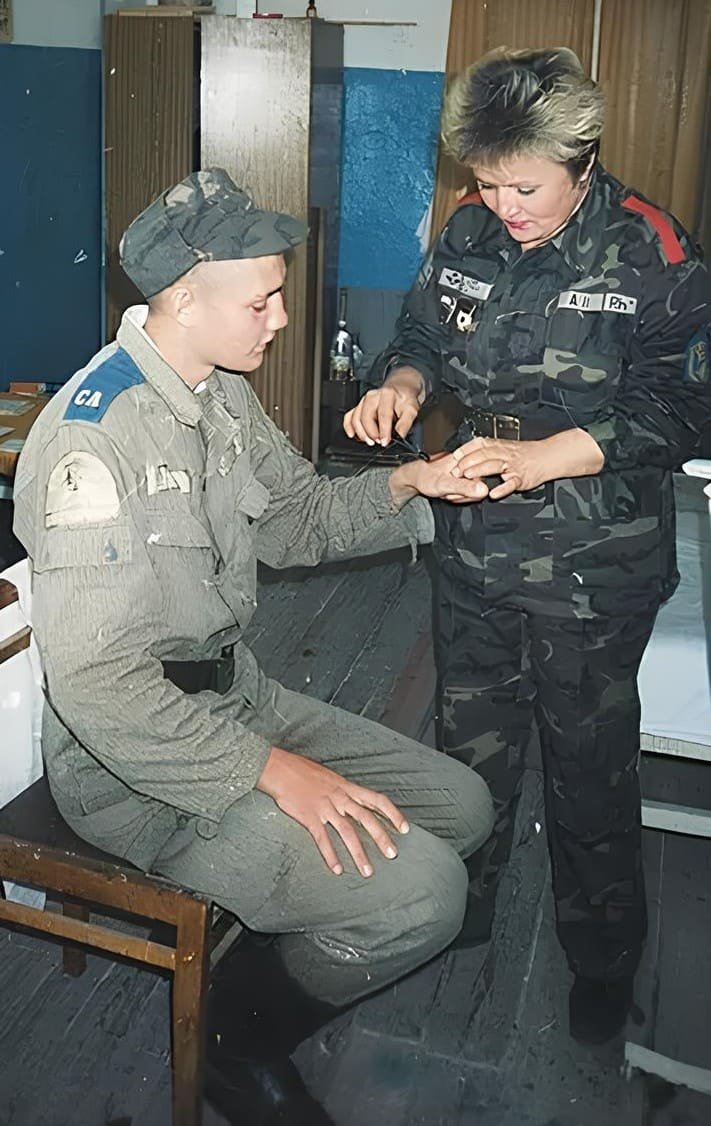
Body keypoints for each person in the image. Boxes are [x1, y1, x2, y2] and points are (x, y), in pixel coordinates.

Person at [12, 168, 494, 1126]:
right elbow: (100, 689)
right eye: (262, 298)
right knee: (426, 895)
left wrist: (414, 485)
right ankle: (236, 1040)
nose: (280, 317)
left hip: (241, 697)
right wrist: (269, 770)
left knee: (466, 807)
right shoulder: (89, 442)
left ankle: (309, 925)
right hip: (137, 767)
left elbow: (295, 519)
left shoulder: (219, 392)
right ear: (186, 300)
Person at [344, 46, 711, 1046]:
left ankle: (602, 959)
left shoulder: (653, 253)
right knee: (472, 743)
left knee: (589, 763)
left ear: (582, 162)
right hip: (475, 540)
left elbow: (687, 406)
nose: (503, 205)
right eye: (488, 183)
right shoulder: (468, 229)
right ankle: (458, 908)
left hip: (596, 562)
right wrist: (404, 386)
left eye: (526, 187)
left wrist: (554, 454)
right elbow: (420, 334)